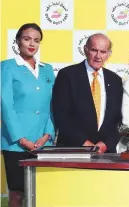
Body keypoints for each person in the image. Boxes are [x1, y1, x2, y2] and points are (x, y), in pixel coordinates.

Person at [1, 23, 55, 207]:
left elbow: (53, 106)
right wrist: (21, 139)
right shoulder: (7, 67)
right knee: (17, 194)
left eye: (36, 40)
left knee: (43, 193)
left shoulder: (47, 69)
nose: (32, 44)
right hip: (16, 144)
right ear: (17, 41)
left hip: (43, 142)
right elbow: (6, 105)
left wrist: (48, 135)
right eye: (27, 39)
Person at [52, 33, 123, 153]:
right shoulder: (67, 75)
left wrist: (106, 144)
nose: (98, 56)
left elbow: (119, 119)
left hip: (106, 153)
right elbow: (60, 115)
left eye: (103, 52)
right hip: (73, 150)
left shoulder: (115, 80)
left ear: (109, 54)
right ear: (85, 49)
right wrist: (85, 143)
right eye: (94, 50)